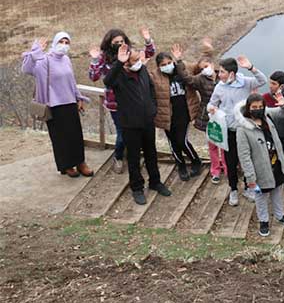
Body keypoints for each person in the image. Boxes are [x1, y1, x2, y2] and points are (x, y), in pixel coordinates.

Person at [104, 44, 172, 205]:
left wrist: (153, 108)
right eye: (134, 59)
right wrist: (119, 63)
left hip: (147, 121)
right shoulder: (119, 75)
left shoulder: (142, 70)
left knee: (151, 153)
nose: (138, 61)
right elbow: (108, 81)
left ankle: (155, 182)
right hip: (130, 123)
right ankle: (137, 188)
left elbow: (151, 89)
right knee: (133, 157)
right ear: (126, 61)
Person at [22, 33, 92, 177]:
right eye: (61, 41)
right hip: (53, 105)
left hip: (70, 102)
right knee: (60, 138)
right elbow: (27, 69)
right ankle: (66, 165)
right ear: (54, 43)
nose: (64, 45)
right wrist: (35, 52)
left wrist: (78, 98)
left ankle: (80, 163)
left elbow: (71, 81)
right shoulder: (44, 59)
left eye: (67, 42)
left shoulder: (66, 59)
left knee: (76, 135)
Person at [89, 27, 156, 174]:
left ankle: (134, 155)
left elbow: (148, 54)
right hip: (115, 103)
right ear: (109, 43)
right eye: (116, 42)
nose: (120, 44)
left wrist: (147, 39)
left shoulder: (129, 52)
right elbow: (94, 76)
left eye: (122, 41)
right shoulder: (104, 58)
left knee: (136, 132)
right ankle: (118, 157)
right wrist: (94, 60)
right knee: (122, 134)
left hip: (133, 101)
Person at [207, 55, 267, 206]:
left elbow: (262, 80)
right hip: (229, 131)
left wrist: (251, 68)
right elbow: (211, 104)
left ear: (231, 73)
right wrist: (212, 109)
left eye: (222, 72)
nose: (219, 75)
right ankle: (233, 189)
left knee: (248, 160)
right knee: (231, 162)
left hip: (245, 130)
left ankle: (248, 187)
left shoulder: (245, 82)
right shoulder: (219, 87)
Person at [235, 94, 284, 237]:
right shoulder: (243, 129)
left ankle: (280, 215)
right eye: (254, 107)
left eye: (260, 106)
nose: (258, 109)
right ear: (248, 108)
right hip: (260, 170)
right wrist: (250, 177)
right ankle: (263, 221)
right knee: (261, 197)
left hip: (276, 164)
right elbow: (244, 156)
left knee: (277, 192)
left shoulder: (267, 118)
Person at [149, 44, 202, 181]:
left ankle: (196, 161)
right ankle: (181, 165)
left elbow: (199, 67)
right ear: (158, 66)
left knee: (182, 141)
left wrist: (179, 60)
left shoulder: (182, 68)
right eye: (163, 65)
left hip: (183, 112)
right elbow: (142, 80)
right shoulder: (154, 76)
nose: (167, 66)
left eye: (169, 63)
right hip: (166, 115)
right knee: (173, 142)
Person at [182, 39, 222, 184]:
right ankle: (215, 170)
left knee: (225, 145)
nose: (205, 69)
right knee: (213, 144)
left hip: (224, 115)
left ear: (212, 65)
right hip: (208, 116)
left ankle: (227, 167)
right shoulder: (200, 79)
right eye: (202, 68)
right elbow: (187, 79)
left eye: (206, 66)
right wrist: (179, 61)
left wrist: (208, 50)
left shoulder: (222, 76)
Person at [263, 70, 284, 196]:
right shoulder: (265, 97)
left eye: (274, 84)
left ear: (281, 86)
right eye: (270, 82)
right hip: (269, 135)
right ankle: (270, 180)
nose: (270, 86)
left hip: (282, 134)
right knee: (269, 157)